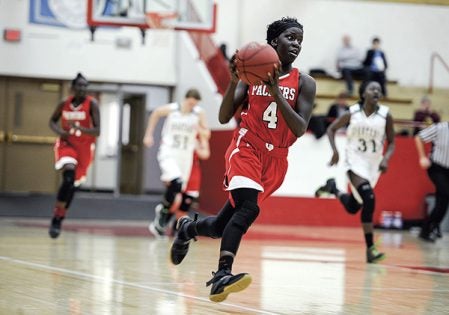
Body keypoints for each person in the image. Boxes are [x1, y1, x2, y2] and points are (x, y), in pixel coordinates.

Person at [169, 17, 316, 302]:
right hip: (246, 148)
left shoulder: (305, 83)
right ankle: (223, 273)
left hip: (275, 162)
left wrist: (276, 93)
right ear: (274, 42)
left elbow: (299, 129)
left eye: (299, 39)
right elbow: (225, 117)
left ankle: (188, 228)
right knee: (248, 210)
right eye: (290, 37)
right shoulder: (252, 75)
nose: (296, 43)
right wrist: (235, 80)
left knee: (220, 226)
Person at [315, 81, 395, 263]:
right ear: (363, 93)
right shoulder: (352, 112)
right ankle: (370, 249)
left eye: (379, 89)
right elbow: (331, 129)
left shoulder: (385, 115)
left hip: (373, 165)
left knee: (353, 207)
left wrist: (386, 158)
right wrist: (335, 151)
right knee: (369, 198)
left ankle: (333, 188)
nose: (376, 91)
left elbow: (392, 142)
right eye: (372, 88)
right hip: (354, 162)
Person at [143, 88, 209, 238]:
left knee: (178, 189)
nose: (192, 106)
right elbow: (156, 113)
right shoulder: (173, 109)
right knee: (176, 183)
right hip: (169, 152)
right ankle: (163, 212)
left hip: (185, 156)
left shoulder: (199, 113)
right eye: (190, 103)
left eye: (195, 104)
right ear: (185, 100)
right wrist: (148, 134)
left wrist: (199, 128)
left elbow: (206, 134)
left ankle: (161, 219)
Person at [48, 73, 101, 239]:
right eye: (80, 85)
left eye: (85, 86)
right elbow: (52, 121)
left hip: (84, 148)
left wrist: (79, 128)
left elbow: (97, 131)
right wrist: (61, 133)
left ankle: (61, 215)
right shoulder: (64, 103)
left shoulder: (92, 104)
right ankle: (56, 217)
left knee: (72, 187)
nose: (83, 88)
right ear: (73, 88)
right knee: (68, 177)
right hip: (67, 145)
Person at [415, 120, 449, 242]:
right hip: (436, 167)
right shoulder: (440, 128)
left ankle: (429, 228)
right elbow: (419, 137)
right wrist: (422, 157)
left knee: (443, 201)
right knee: (445, 193)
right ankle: (432, 226)